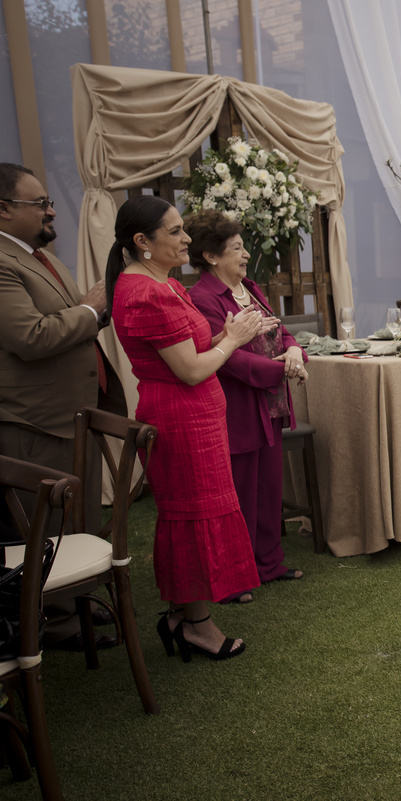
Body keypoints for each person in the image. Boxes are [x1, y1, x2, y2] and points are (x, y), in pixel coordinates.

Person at [108, 195, 268, 662]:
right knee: (191, 517)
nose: (186, 239)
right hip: (180, 418)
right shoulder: (148, 292)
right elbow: (192, 371)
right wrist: (234, 340)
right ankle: (196, 624)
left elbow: (192, 349)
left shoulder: (160, 283)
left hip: (191, 415)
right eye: (175, 232)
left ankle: (183, 614)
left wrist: (228, 332)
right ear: (142, 242)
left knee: (192, 514)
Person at [186, 210, 308, 604]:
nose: (244, 255)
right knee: (238, 494)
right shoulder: (202, 299)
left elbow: (282, 330)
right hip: (237, 406)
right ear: (211, 256)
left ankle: (269, 563)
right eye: (236, 248)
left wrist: (293, 351)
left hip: (269, 404)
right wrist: (279, 370)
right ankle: (234, 577)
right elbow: (227, 359)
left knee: (269, 487)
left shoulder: (250, 288)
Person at [0, 163, 125, 532]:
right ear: (3, 208)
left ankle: (84, 590)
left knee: (81, 525)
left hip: (75, 416)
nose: (51, 211)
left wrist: (97, 313)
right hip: (37, 426)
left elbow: (70, 322)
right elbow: (30, 337)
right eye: (39, 203)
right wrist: (90, 309)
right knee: (50, 536)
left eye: (50, 201)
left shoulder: (45, 258)